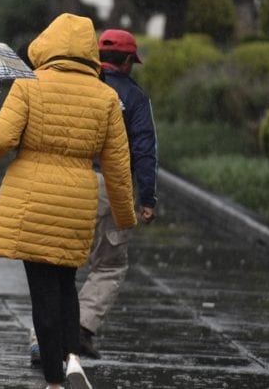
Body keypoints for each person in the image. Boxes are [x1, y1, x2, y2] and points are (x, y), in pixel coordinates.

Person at [0, 13, 137, 389]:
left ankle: (54, 379)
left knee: (42, 292)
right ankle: (72, 358)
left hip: (31, 197)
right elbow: (118, 165)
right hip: (77, 199)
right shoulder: (106, 96)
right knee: (66, 282)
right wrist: (124, 215)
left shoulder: (29, 84)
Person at [75, 29, 158, 358]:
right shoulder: (135, 97)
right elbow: (145, 150)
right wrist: (148, 199)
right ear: (126, 62)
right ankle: (81, 328)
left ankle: (44, 338)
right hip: (112, 186)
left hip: (70, 182)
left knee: (56, 264)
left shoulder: (78, 85)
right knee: (109, 264)